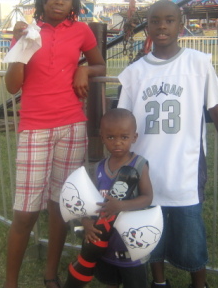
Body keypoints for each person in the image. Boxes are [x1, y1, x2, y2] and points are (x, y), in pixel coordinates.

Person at [117, 0, 218, 288]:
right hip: (146, 172)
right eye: (154, 21)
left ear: (180, 23)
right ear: (147, 26)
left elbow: (217, 111)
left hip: (185, 171)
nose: (162, 26)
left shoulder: (198, 63)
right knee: (152, 232)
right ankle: (159, 282)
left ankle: (199, 283)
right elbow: (123, 121)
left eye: (169, 20)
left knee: (192, 237)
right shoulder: (134, 72)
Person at [3, 0, 106, 288]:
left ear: (73, 1)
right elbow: (12, 87)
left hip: (72, 126)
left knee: (60, 205)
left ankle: (50, 274)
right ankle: (11, 282)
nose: (58, 1)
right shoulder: (28, 32)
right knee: (25, 212)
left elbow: (101, 64)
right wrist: (21, 45)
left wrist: (84, 68)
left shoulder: (81, 31)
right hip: (35, 128)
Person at [64, 108, 153, 288]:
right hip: (106, 245)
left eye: (124, 137)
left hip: (130, 244)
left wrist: (121, 205)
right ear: (102, 137)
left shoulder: (140, 165)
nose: (117, 143)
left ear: (134, 137)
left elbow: (147, 198)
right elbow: (90, 202)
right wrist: (86, 221)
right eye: (111, 137)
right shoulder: (98, 168)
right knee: (110, 281)